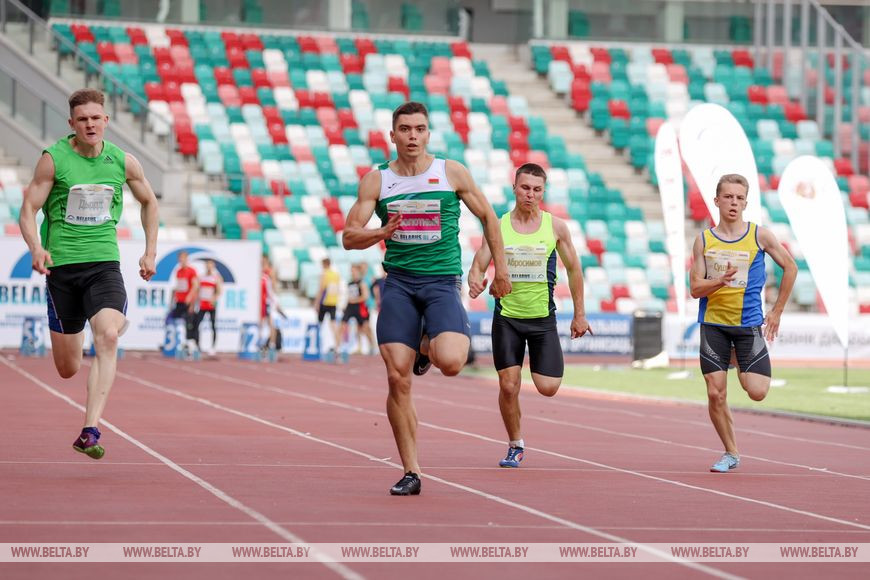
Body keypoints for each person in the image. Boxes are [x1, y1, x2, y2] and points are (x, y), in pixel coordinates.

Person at [343, 101, 511, 496]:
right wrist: (381, 233)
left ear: (428, 133)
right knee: (396, 377)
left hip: (440, 283)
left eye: (420, 129)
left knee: (451, 362)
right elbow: (350, 235)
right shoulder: (377, 181)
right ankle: (412, 470)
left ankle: (426, 347)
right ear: (393, 135)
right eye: (405, 129)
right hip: (399, 284)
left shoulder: (450, 172)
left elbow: (489, 216)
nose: (413, 136)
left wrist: (497, 269)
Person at [18, 88, 159, 459]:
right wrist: (36, 247)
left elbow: (149, 201)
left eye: (96, 118)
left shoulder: (122, 161)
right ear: (72, 124)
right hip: (61, 269)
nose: (90, 124)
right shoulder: (54, 160)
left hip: (103, 264)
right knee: (68, 368)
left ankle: (90, 428)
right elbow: (28, 208)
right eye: (83, 119)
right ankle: (79, 376)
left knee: (109, 335)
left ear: (106, 121)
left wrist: (150, 251)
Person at [468, 163, 591, 468]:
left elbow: (574, 269)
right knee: (509, 386)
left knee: (548, 387)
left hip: (542, 320)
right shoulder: (499, 226)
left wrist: (580, 314)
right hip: (507, 317)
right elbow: (480, 261)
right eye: (525, 188)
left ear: (543, 192)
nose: (530, 194)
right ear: (515, 188)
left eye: (537, 189)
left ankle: (519, 433)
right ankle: (515, 443)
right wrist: (475, 278)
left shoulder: (556, 227)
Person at [689, 173, 796, 473]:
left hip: (748, 325)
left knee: (757, 391)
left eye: (739, 198)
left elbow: (791, 267)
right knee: (715, 392)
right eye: (728, 197)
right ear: (717, 201)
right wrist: (718, 282)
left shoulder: (759, 236)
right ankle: (731, 452)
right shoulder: (704, 240)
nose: (733, 202)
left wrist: (776, 312)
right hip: (713, 325)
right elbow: (695, 289)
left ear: (746, 202)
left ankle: (738, 360)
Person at [339, 263, 376, 355]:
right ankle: (354, 347)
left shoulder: (363, 282)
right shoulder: (350, 283)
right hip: (351, 307)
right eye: (351, 271)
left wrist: (353, 300)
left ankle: (373, 345)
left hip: (361, 308)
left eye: (353, 271)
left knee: (365, 328)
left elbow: (365, 296)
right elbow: (348, 295)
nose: (352, 272)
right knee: (348, 326)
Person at [169, 249, 199, 356]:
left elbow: (195, 286)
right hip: (179, 301)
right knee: (177, 322)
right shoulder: (178, 271)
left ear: (187, 258)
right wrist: (173, 299)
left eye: (183, 258)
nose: (182, 260)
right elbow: (178, 287)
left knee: (189, 324)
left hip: (188, 302)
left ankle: (193, 347)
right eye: (180, 258)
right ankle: (178, 344)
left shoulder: (192, 271)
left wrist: (190, 298)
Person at [196, 259, 223, 357]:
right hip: (202, 305)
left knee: (213, 325)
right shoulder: (201, 277)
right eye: (207, 265)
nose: (208, 267)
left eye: (210, 265)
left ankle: (213, 347)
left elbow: (219, 291)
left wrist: (214, 298)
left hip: (211, 305)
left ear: (213, 266)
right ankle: (197, 345)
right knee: (197, 324)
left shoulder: (216, 277)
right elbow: (197, 289)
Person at [314, 257, 341, 352]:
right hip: (333, 302)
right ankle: (338, 346)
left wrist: (316, 303)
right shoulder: (336, 275)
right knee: (333, 324)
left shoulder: (324, 274)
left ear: (324, 265)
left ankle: (316, 346)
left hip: (324, 302)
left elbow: (321, 289)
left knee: (319, 324)